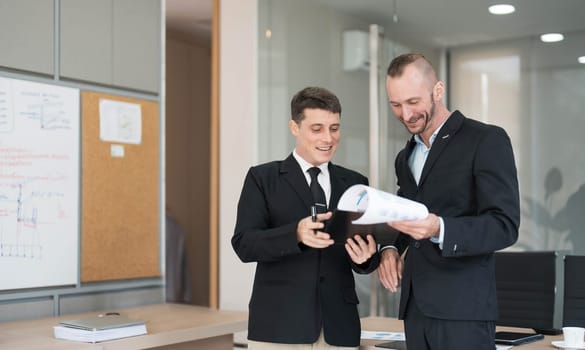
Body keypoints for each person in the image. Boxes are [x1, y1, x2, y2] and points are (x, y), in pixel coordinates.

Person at [377, 53, 520, 350]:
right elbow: (406, 214)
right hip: (415, 311)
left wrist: (439, 229)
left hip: (463, 312)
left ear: (438, 91)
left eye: (413, 102)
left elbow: (504, 225)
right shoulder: (405, 157)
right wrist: (390, 247)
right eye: (396, 105)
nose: (405, 115)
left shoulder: (485, 140)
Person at [232, 86, 379, 349]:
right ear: (294, 127)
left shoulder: (355, 183)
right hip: (279, 325)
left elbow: (365, 256)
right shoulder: (262, 178)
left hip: (339, 327)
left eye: (334, 128)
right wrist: (296, 234)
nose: (328, 138)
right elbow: (244, 243)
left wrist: (366, 258)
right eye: (317, 128)